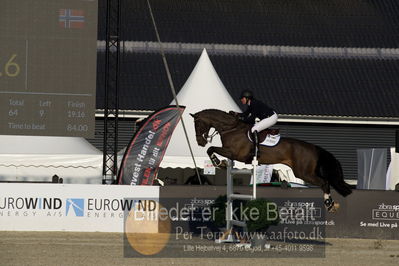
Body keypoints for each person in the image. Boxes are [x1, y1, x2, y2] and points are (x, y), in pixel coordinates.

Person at [232, 90, 278, 158]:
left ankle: (256, 150)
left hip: (271, 117)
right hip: (269, 117)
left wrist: (240, 119)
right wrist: (236, 114)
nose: (241, 100)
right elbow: (245, 114)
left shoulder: (254, 104)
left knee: (254, 129)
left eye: (242, 98)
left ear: (247, 98)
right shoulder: (251, 104)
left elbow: (251, 119)